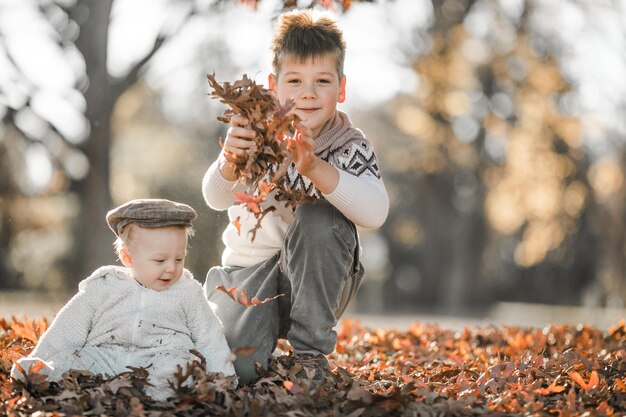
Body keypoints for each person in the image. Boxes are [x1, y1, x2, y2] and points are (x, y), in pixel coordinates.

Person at [202, 8, 388, 385]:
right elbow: (214, 198)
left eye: (322, 80)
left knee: (319, 216)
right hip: (250, 276)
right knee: (238, 370)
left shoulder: (349, 144)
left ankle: (309, 354)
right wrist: (229, 161)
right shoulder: (255, 132)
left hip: (319, 280)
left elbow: (376, 212)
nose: (307, 93)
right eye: (294, 80)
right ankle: (243, 327)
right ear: (274, 85)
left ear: (342, 88)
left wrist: (315, 169)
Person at [11, 199, 236, 400]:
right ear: (128, 257)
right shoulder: (104, 286)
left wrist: (223, 378)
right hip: (104, 355)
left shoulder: (187, 291)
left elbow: (209, 335)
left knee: (177, 370)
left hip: (160, 356)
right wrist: (42, 357)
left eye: (179, 258)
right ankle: (40, 374)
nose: (171, 268)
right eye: (160, 260)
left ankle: (155, 396)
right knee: (72, 361)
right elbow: (68, 327)